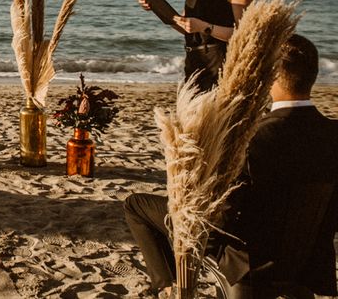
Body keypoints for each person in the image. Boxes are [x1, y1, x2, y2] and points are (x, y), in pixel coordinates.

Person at [124, 34, 338, 297]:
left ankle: (169, 287)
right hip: (308, 260)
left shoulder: (249, 139)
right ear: (314, 75)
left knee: (136, 205)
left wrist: (192, 227)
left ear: (269, 75)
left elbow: (222, 216)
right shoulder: (333, 134)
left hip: (249, 263)